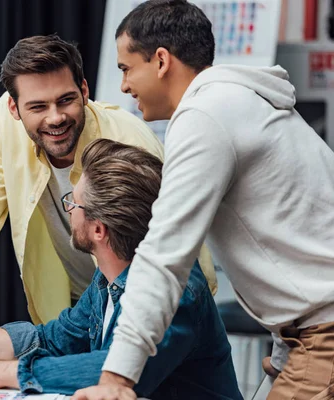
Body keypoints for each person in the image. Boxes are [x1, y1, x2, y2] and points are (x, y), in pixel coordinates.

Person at [75, 1, 334, 399]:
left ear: (161, 60)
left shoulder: (205, 116)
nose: (124, 85)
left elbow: (164, 253)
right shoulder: (240, 102)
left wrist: (116, 379)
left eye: (127, 69)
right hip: (302, 335)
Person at [0, 139, 242, 399]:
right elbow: (48, 340)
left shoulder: (175, 290)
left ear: (99, 230)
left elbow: (116, 368)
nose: (68, 209)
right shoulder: (108, 278)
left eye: (74, 202)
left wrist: (3, 374)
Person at [0, 34, 217, 328]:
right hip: (72, 311)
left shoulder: (127, 141)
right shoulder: (3, 125)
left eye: (66, 100)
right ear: (14, 108)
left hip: (153, 306)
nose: (55, 118)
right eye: (38, 107)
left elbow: (171, 252)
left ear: (84, 91)